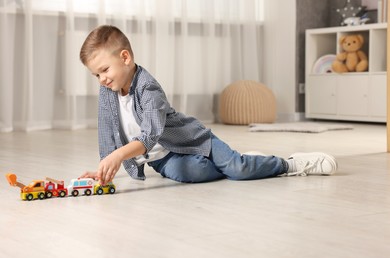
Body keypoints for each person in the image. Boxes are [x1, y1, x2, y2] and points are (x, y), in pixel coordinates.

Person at [79, 25, 337, 185]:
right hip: (164, 158)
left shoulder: (148, 88)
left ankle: (287, 164)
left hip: (193, 140)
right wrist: (103, 168)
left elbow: (150, 135)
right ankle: (243, 162)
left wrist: (118, 156)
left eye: (103, 70)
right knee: (192, 174)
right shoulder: (108, 91)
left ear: (125, 57)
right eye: (96, 75)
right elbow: (108, 135)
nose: (101, 79)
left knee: (237, 169)